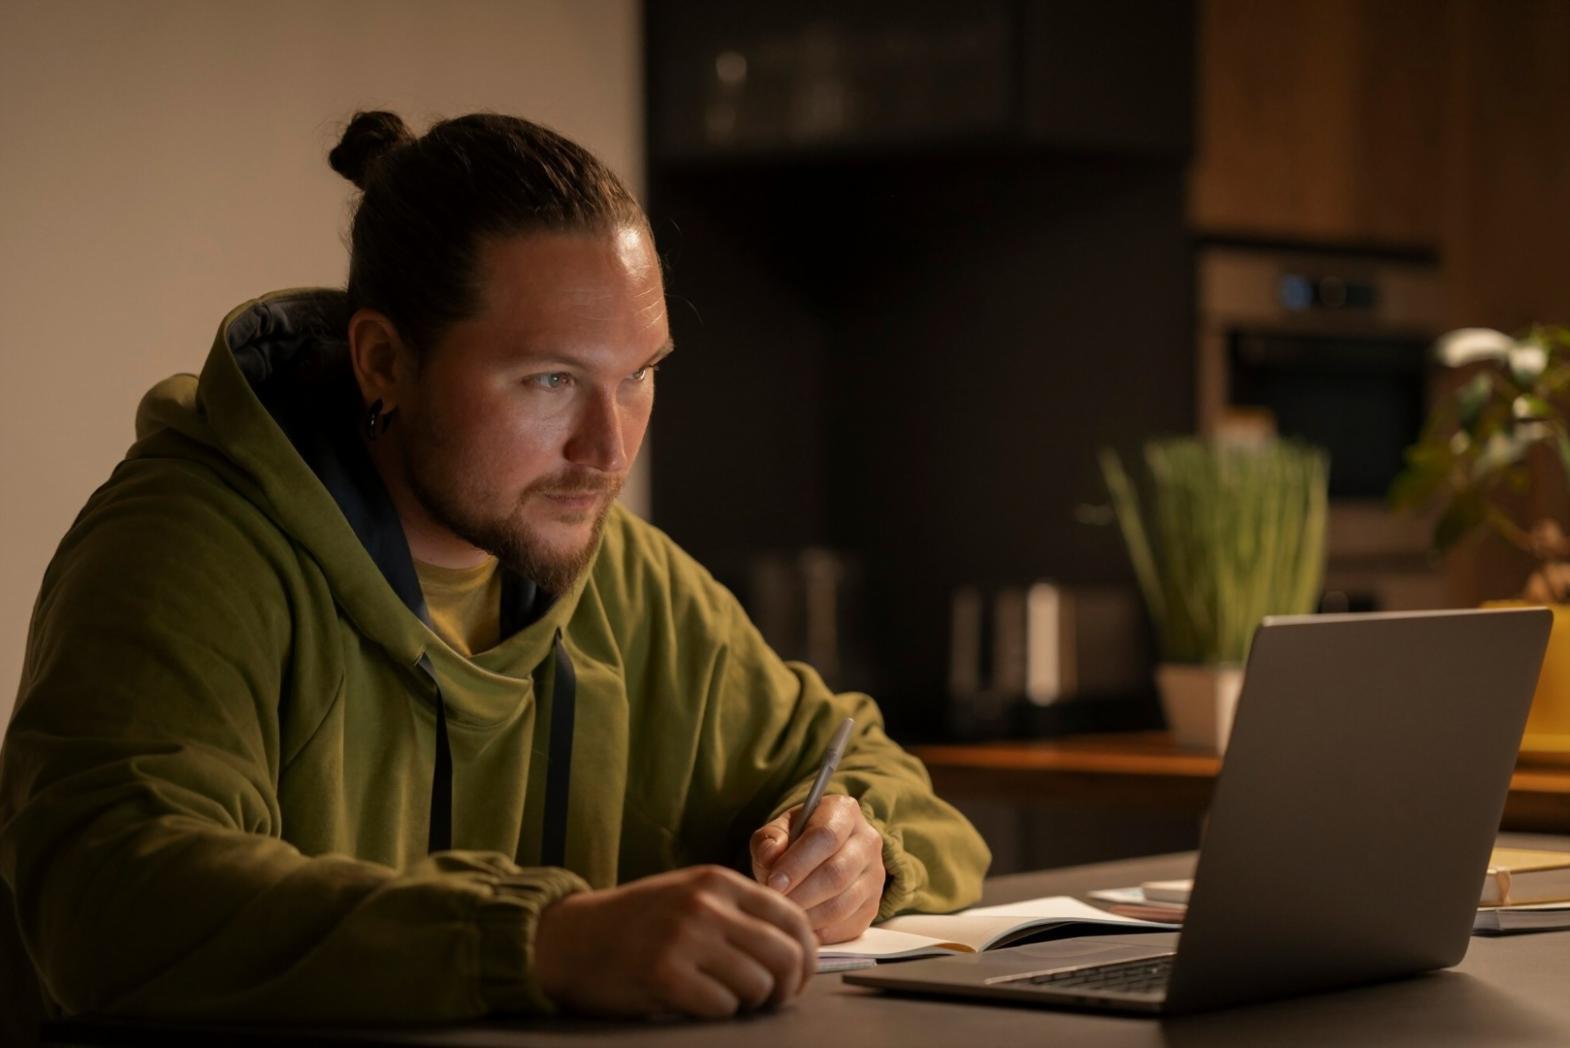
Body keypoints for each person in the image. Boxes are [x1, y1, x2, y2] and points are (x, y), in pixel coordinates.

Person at [0, 111, 989, 1039]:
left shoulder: (627, 580)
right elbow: (108, 898)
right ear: (383, 362)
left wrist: (860, 852)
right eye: (549, 379)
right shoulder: (186, 550)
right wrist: (539, 939)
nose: (610, 449)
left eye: (638, 375)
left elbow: (898, 793)